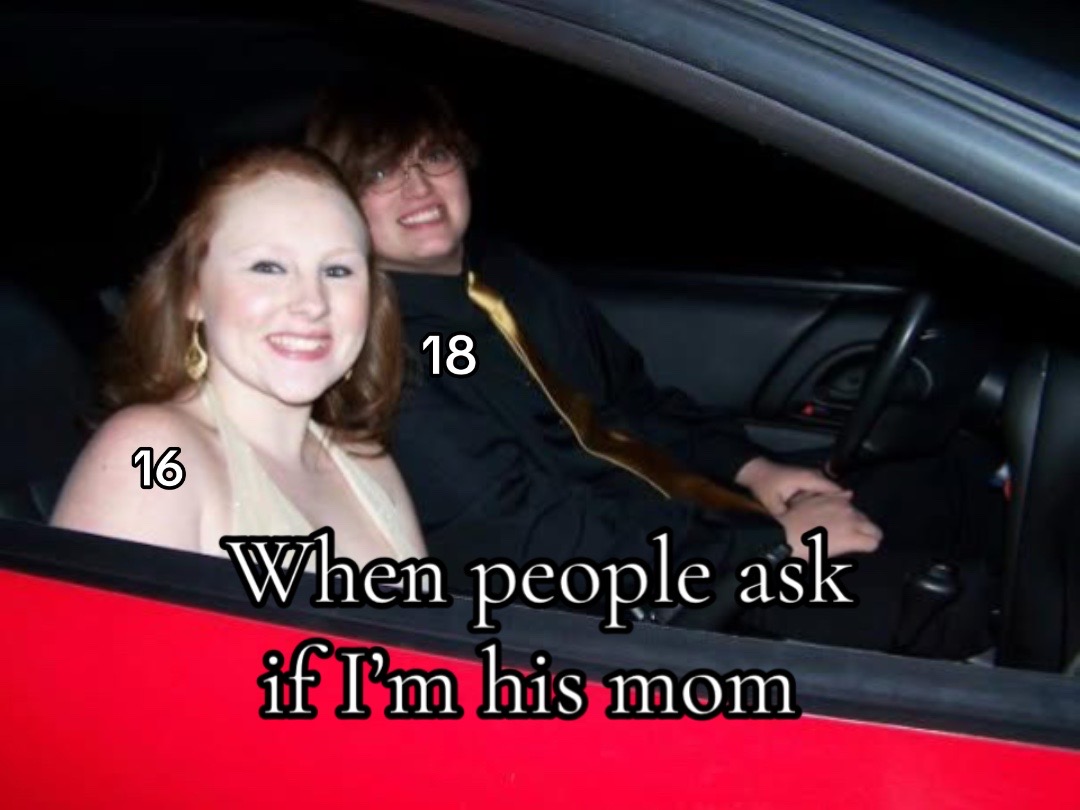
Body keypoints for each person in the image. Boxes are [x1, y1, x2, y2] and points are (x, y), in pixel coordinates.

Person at [306, 80, 998, 655]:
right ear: (341, 206)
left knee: (947, 478)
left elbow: (634, 402)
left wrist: (753, 469)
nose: (418, 186)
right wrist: (771, 549)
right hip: (642, 596)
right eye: (379, 173)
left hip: (688, 519)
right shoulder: (384, 358)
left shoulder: (512, 275)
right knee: (953, 602)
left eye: (433, 156)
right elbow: (530, 542)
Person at [51, 146, 427, 567]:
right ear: (193, 293)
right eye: (268, 267)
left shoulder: (370, 467)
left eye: (337, 271)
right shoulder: (152, 453)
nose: (312, 303)